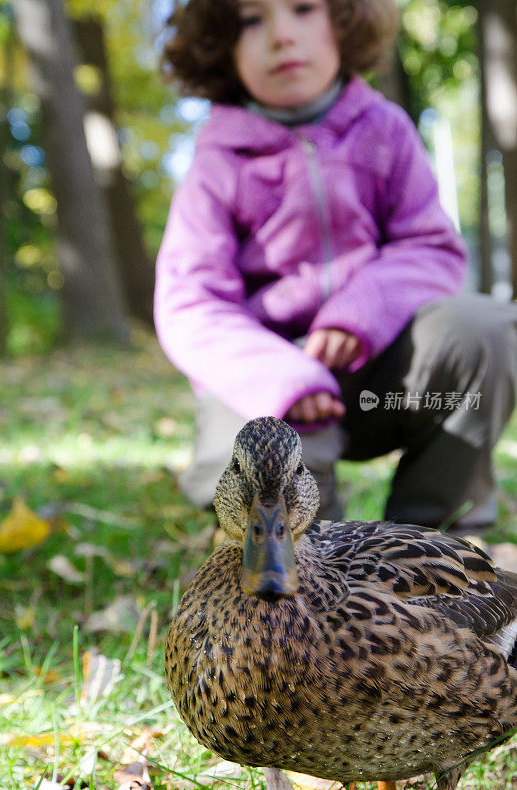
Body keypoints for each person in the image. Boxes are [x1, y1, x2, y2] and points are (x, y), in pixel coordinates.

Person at [154, 0, 517, 533]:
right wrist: (283, 379)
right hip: (268, 387)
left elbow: (431, 248)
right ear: (220, 42)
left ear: (344, 21)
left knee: (488, 329)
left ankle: (433, 552)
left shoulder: (385, 129)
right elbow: (191, 303)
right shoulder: (217, 161)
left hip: (382, 384)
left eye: (304, 8)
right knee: (257, 483)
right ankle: (302, 564)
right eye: (253, 20)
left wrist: (361, 312)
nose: (282, 36)